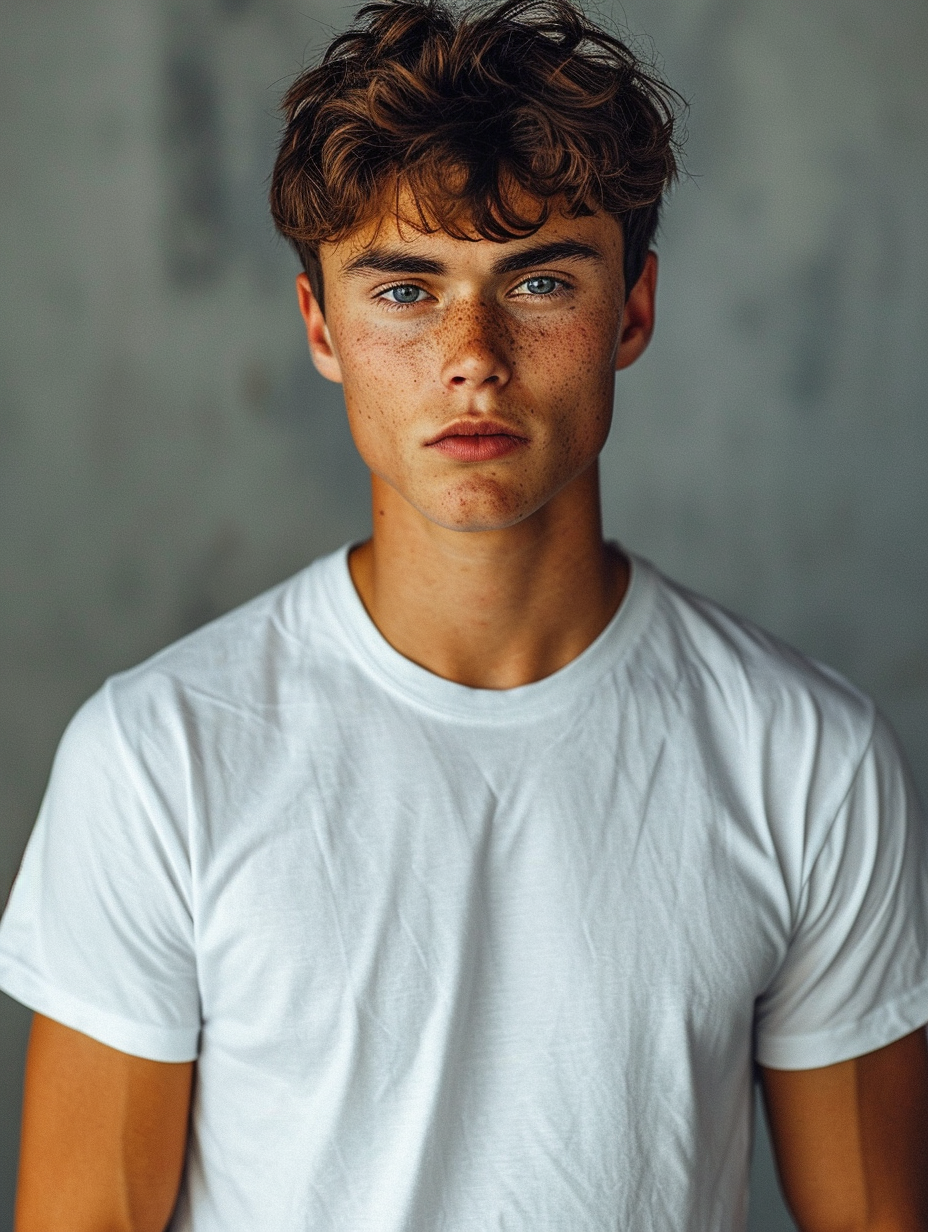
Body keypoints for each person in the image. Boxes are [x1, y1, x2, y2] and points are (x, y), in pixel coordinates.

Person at [2, 0, 927, 1227]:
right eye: (404, 289)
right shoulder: (158, 756)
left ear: (632, 313)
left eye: (539, 280)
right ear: (321, 327)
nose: (472, 353)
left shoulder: (806, 758)